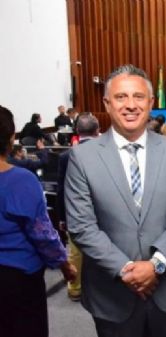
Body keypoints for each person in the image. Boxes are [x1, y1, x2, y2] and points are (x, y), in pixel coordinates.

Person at [65, 64, 166, 337]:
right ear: (107, 104)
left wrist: (156, 264)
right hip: (112, 296)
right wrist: (126, 270)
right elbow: (81, 226)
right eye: (121, 97)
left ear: (151, 102)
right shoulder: (82, 157)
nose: (130, 105)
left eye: (138, 97)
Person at [0, 105, 76, 337]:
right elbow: (42, 234)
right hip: (17, 279)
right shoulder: (21, 180)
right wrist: (65, 265)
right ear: (12, 137)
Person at [57, 114, 100, 301]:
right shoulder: (105, 153)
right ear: (98, 131)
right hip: (101, 212)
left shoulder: (65, 156)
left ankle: (75, 288)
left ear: (76, 132)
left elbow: (61, 189)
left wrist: (61, 217)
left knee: (75, 253)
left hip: (74, 213)